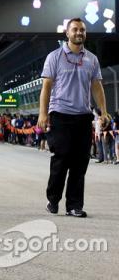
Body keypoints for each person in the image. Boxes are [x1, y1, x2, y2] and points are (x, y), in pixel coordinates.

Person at [38, 18, 108, 218]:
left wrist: (103, 111)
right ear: (67, 34)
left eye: (82, 30)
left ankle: (74, 205)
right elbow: (46, 87)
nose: (79, 33)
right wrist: (43, 114)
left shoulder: (92, 59)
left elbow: (97, 86)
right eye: (75, 29)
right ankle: (53, 199)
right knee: (62, 158)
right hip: (59, 114)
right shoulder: (54, 57)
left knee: (80, 162)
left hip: (83, 117)